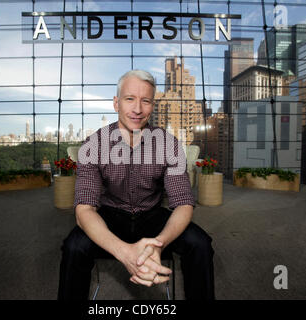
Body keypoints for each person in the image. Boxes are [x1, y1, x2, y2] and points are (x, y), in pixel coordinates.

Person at [57, 69, 214, 300]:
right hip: (110, 215)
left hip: (151, 214)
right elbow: (84, 211)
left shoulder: (168, 144)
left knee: (200, 243)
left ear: (152, 106)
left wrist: (158, 246)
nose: (138, 109)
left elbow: (183, 204)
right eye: (130, 99)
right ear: (116, 103)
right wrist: (126, 253)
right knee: (73, 247)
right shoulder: (94, 145)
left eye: (146, 101)